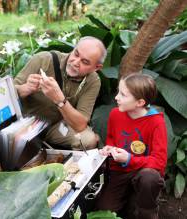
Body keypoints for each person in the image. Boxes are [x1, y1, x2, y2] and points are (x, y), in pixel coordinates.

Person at [94, 74, 167, 219]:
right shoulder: (115, 114)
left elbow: (159, 161)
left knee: (149, 178)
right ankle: (128, 200)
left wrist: (129, 158)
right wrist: (110, 148)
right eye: (118, 91)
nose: (116, 97)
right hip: (120, 171)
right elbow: (112, 139)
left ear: (139, 102)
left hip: (143, 171)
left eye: (123, 94)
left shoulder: (156, 122)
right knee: (104, 210)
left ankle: (148, 211)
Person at [14, 36, 107, 150]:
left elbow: (81, 124)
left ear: (96, 67)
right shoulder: (44, 60)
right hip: (25, 123)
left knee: (88, 139)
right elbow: (8, 94)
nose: (75, 62)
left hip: (54, 126)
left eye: (85, 62)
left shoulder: (93, 80)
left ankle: (72, 166)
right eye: (76, 54)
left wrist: (59, 100)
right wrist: (26, 88)